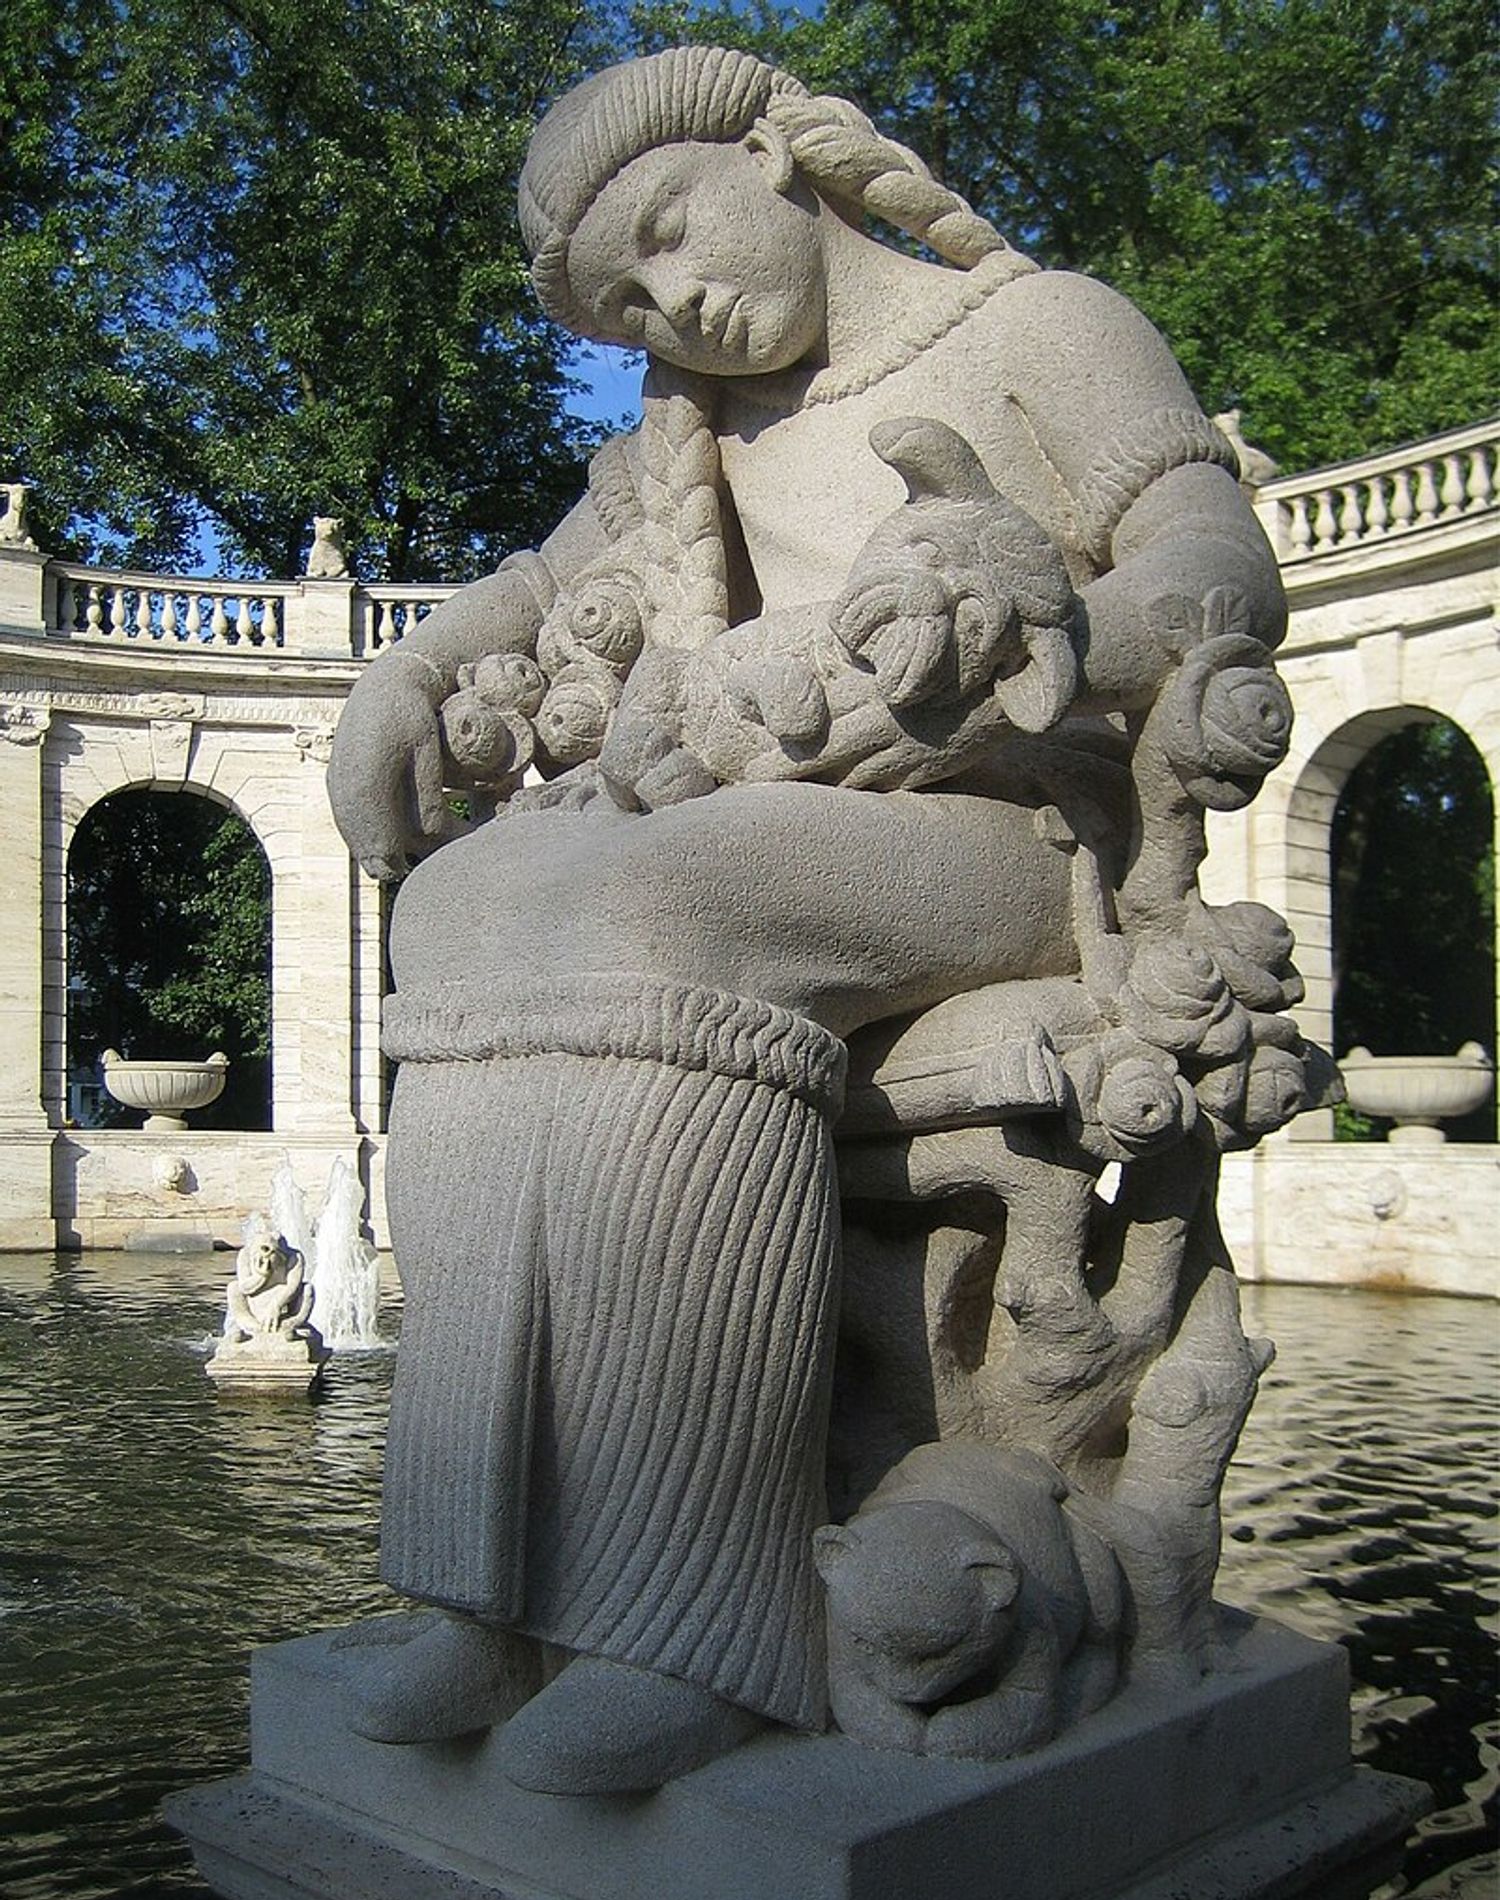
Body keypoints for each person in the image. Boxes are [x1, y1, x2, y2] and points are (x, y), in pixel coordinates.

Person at [326, 44, 1286, 1794]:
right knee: (461, 903)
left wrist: (1006, 627)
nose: (672, 305)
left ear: (775, 156)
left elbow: (1217, 562)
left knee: (656, 891)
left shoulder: (1043, 327)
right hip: (787, 831)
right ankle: (493, 1588)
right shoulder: (690, 443)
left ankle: (694, 1623)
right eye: (628, 305)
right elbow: (545, 586)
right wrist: (413, 666)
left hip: (997, 833)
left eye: (673, 237)